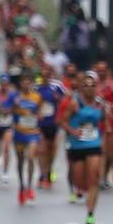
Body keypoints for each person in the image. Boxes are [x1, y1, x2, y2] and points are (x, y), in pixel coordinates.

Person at [60, 71, 105, 224]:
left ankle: (90, 214)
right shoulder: (75, 103)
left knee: (94, 177)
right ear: (81, 88)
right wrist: (73, 131)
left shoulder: (100, 103)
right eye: (86, 85)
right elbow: (62, 121)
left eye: (92, 86)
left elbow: (105, 122)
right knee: (79, 180)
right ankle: (81, 191)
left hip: (94, 143)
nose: (89, 88)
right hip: (77, 145)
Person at [11, 73, 43, 205]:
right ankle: (21, 185)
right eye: (23, 82)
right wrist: (18, 110)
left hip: (32, 132)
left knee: (31, 157)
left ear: (30, 83)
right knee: (20, 160)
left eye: (28, 82)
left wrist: (38, 124)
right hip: (19, 131)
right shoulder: (15, 97)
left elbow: (39, 113)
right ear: (20, 84)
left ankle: (30, 187)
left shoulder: (36, 97)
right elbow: (10, 112)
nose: (25, 84)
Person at [36, 65, 69, 190]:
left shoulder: (57, 86)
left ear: (50, 75)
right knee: (42, 150)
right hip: (41, 124)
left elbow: (66, 101)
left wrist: (58, 99)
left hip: (54, 124)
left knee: (51, 150)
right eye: (42, 75)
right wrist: (36, 113)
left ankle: (49, 172)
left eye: (47, 74)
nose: (45, 77)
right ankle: (42, 174)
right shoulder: (36, 88)